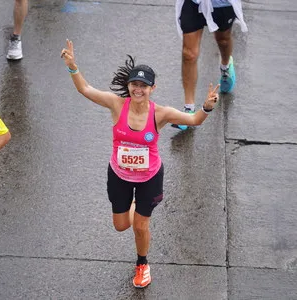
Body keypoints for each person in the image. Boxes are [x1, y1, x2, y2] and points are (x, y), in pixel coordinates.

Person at [61, 39, 219, 288]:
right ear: (129, 85)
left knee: (140, 225)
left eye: (144, 86)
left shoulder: (161, 114)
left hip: (149, 178)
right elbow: (85, 90)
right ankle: (133, 206)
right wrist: (72, 66)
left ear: (152, 88)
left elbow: (194, 120)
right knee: (121, 225)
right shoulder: (117, 104)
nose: (138, 89)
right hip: (119, 175)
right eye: (135, 84)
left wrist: (207, 108)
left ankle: (142, 264)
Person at [173, 0, 248, 130]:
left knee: (223, 40)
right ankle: (188, 109)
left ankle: (225, 66)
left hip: (222, 4)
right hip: (194, 3)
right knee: (189, 54)